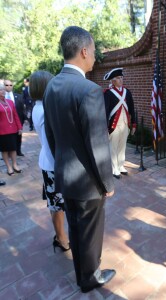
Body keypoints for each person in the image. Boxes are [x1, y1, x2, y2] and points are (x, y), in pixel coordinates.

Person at [43, 26, 115, 293]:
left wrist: (61, 163)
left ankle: (81, 273)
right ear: (84, 51)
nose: (95, 57)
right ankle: (90, 277)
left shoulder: (51, 87)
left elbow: (51, 136)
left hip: (65, 173)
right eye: (94, 52)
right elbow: (98, 146)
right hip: (87, 182)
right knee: (91, 231)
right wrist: (107, 183)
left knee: (75, 226)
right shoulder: (89, 90)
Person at [30, 70, 69, 253]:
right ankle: (61, 238)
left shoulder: (40, 107)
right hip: (53, 164)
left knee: (56, 204)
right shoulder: (45, 110)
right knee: (56, 205)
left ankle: (60, 236)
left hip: (49, 162)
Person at [103, 68, 136, 179]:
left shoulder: (127, 92)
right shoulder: (108, 94)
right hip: (113, 125)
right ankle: (114, 168)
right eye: (118, 78)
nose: (121, 80)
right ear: (112, 81)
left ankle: (121, 166)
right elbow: (105, 112)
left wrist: (134, 124)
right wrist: (105, 127)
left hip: (125, 124)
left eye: (121, 77)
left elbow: (132, 109)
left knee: (122, 146)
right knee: (113, 147)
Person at [0, 82, 22, 175]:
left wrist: (19, 127)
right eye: (1, 90)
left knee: (13, 148)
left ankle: (15, 164)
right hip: (2, 131)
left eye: (3, 89)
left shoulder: (10, 102)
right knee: (5, 150)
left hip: (13, 129)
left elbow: (15, 115)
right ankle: (9, 167)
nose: (3, 91)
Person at [4, 79, 26, 156]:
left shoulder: (19, 96)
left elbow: (23, 109)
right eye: (6, 85)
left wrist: (25, 119)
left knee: (18, 136)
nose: (9, 87)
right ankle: (7, 153)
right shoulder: (1, 97)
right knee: (7, 137)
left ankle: (18, 151)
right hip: (5, 121)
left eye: (10, 85)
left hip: (18, 119)